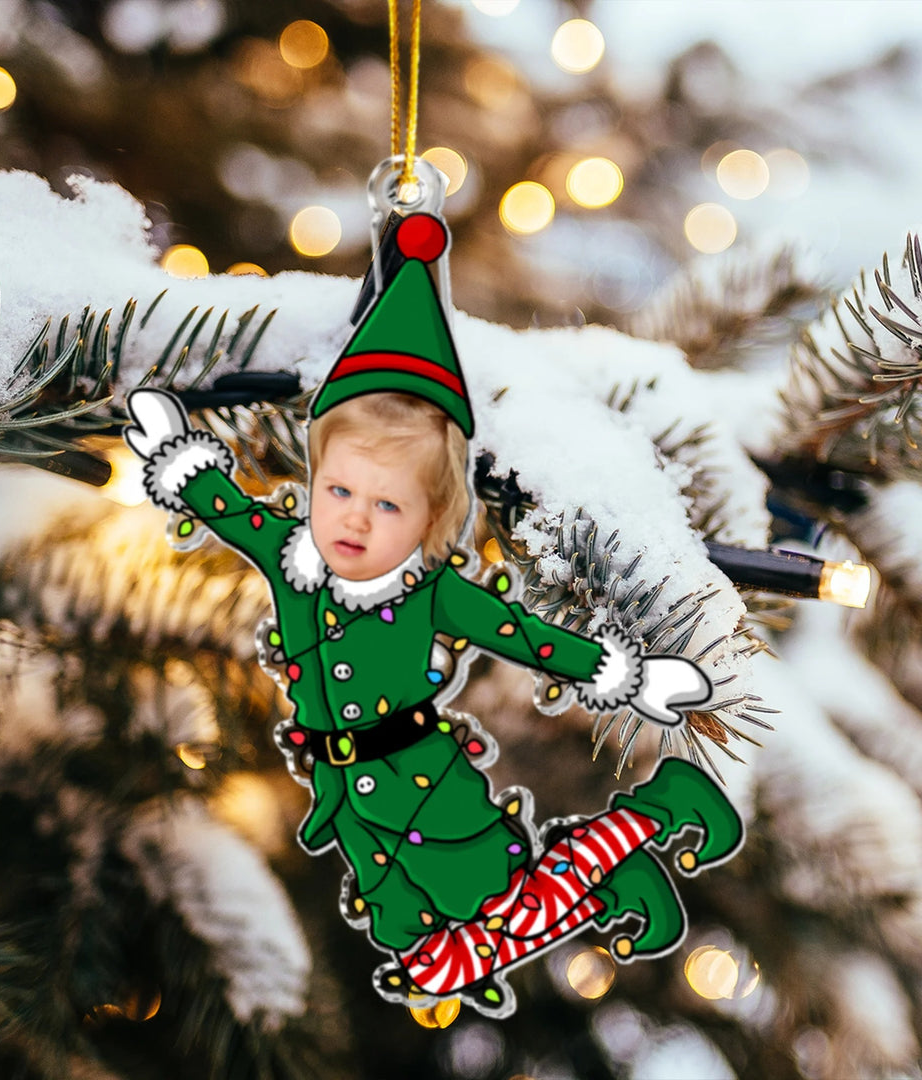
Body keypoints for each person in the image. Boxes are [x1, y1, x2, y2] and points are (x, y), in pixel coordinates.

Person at [123, 213, 742, 1017]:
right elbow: (232, 507)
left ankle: (663, 811)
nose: (352, 519)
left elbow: (520, 636)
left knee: (481, 897)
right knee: (411, 929)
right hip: (345, 793)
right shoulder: (289, 552)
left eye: (387, 504)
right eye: (338, 491)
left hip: (427, 782)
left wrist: (620, 674)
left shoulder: (430, 592)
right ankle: (613, 870)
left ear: (432, 521)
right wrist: (177, 458)